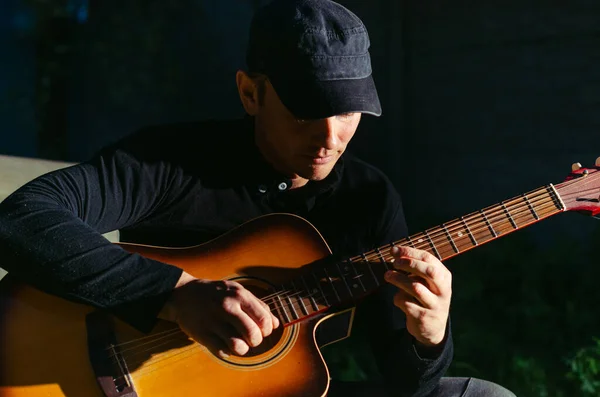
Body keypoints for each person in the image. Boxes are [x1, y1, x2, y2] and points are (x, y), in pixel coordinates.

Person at [0, 0, 516, 396]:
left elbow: (409, 386)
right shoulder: (171, 160)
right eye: (304, 112)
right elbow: (20, 220)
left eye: (349, 112)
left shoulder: (368, 199)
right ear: (250, 92)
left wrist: (428, 337)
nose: (331, 137)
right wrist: (174, 294)